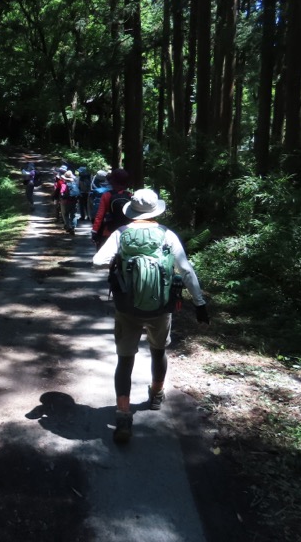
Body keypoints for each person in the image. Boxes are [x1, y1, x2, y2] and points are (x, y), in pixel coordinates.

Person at [92, 188, 209, 444]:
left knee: (125, 360)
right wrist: (199, 303)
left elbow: (97, 261)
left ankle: (123, 415)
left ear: (131, 210)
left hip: (127, 307)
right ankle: (156, 395)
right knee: (158, 352)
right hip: (161, 307)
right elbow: (186, 270)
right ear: (156, 210)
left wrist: (120, 260)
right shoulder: (167, 235)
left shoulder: (121, 234)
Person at [90, 168, 132, 250]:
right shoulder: (130, 196)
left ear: (112, 181)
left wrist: (94, 231)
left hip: (109, 231)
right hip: (127, 231)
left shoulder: (107, 195)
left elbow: (100, 215)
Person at [59, 170, 80, 234]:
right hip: (74, 201)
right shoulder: (75, 184)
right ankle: (73, 227)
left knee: (66, 214)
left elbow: (61, 193)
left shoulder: (64, 185)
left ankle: (68, 227)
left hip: (66, 202)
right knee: (73, 215)